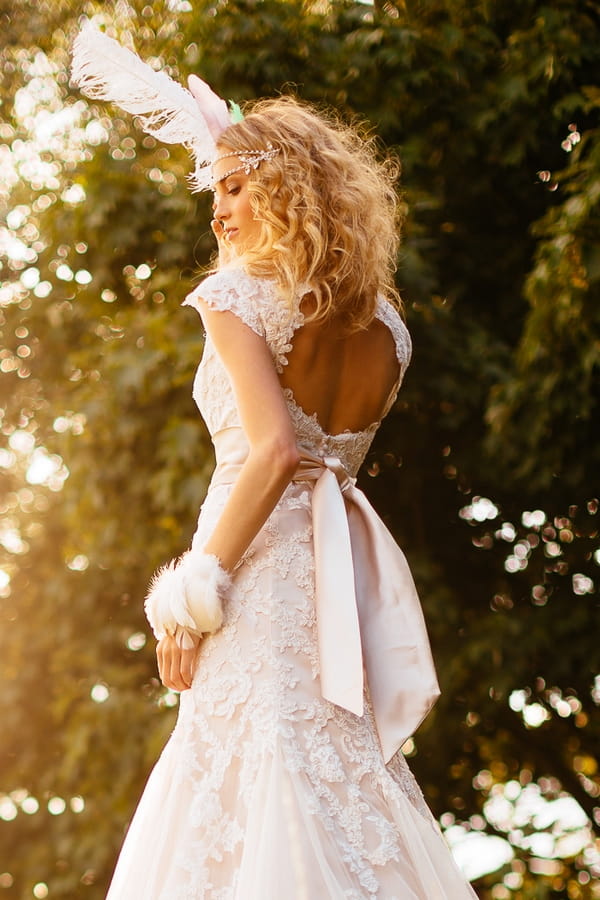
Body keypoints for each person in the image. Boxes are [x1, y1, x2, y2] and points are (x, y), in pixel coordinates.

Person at [72, 25, 479, 900]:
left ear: (285, 189)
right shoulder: (391, 333)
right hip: (333, 599)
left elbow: (277, 453)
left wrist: (190, 596)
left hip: (256, 580)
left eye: (231, 186)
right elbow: (325, 463)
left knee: (252, 773)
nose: (216, 212)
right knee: (335, 778)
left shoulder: (231, 297)